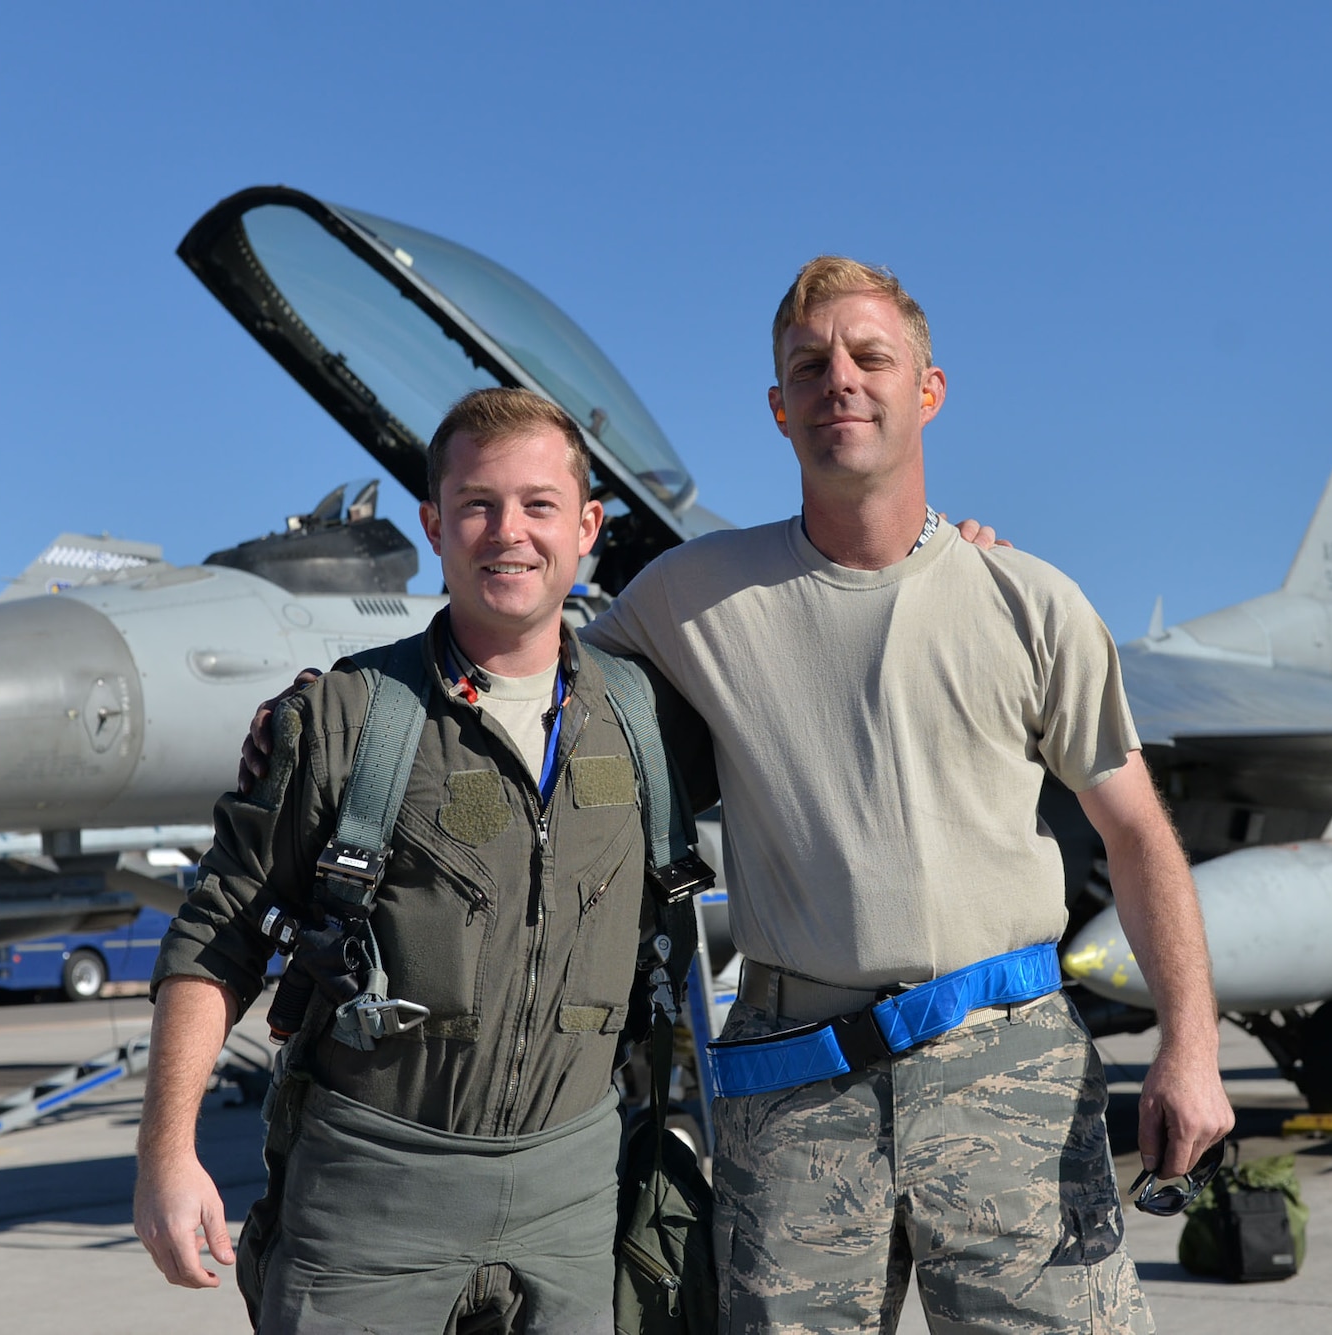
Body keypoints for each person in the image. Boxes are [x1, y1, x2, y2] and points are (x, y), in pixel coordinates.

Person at [242, 258, 1233, 1332]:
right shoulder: (688, 594)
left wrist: (1189, 1044)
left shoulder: (1027, 600)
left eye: (869, 358)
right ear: (777, 407)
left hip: (1007, 1069)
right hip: (794, 1087)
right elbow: (518, 661)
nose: (838, 382)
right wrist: (338, 696)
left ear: (927, 391)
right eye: (808, 366)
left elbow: (1136, 836)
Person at [134, 387, 714, 1334]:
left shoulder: (650, 724)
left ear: (588, 527)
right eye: (478, 505)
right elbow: (218, 934)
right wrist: (166, 1151)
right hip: (374, 1196)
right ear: (434, 525)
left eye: (537, 505)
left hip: (575, 1198)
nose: (508, 533)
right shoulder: (347, 718)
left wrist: (950, 549)